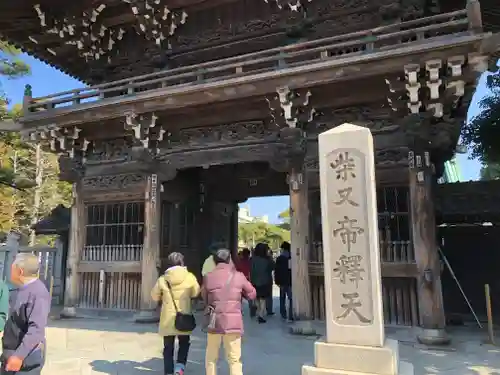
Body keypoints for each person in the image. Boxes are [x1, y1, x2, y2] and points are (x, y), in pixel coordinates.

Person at [202, 249, 256, 375]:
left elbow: (204, 296)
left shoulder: (208, 277)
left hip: (214, 321)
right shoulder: (238, 276)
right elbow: (252, 294)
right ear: (229, 260)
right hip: (233, 322)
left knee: (211, 357)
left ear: (215, 261)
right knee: (234, 359)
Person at [151, 252, 200, 375]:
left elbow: (154, 296)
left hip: (168, 318)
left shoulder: (163, 279)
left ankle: (168, 372)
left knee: (168, 347)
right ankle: (179, 368)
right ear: (182, 262)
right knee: (184, 343)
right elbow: (195, 292)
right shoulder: (190, 277)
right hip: (184, 316)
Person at [2, 253, 50, 375]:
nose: (10, 271)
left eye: (12, 268)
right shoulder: (22, 288)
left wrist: (19, 356)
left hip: (25, 359)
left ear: (20, 271)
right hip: (12, 352)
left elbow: (36, 329)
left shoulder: (37, 293)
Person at [250, 243, 274, 323]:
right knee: (263, 299)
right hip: (265, 281)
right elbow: (273, 267)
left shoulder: (252, 259)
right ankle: (261, 315)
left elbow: (250, 270)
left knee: (257, 298)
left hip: (254, 281)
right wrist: (270, 256)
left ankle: (258, 311)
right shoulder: (267, 260)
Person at [274, 241, 293, 321]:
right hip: (289, 281)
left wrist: (276, 281)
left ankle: (283, 313)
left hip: (281, 281)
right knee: (291, 298)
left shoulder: (279, 258)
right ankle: (291, 313)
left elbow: (276, 271)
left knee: (282, 297)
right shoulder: (291, 258)